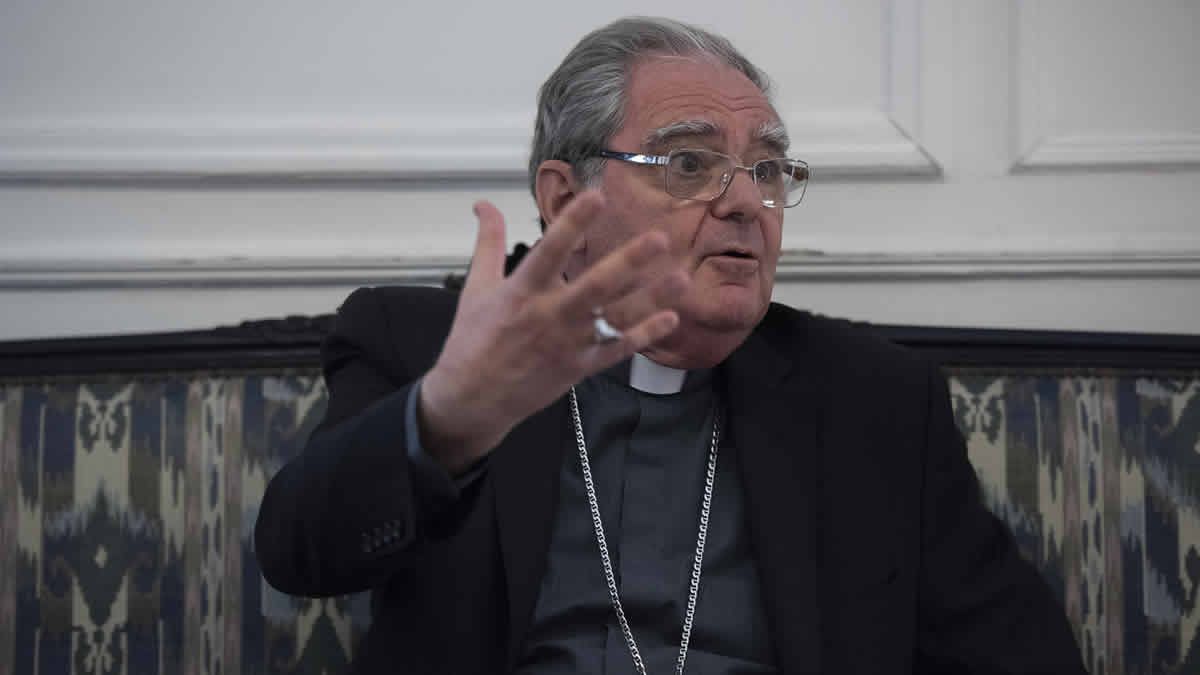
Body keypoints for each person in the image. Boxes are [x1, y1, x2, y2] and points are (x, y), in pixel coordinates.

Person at [255, 16, 1086, 675]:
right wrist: (443, 425)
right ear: (564, 198)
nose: (746, 202)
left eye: (768, 170)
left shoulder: (874, 400)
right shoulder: (423, 346)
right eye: (690, 163)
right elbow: (297, 554)